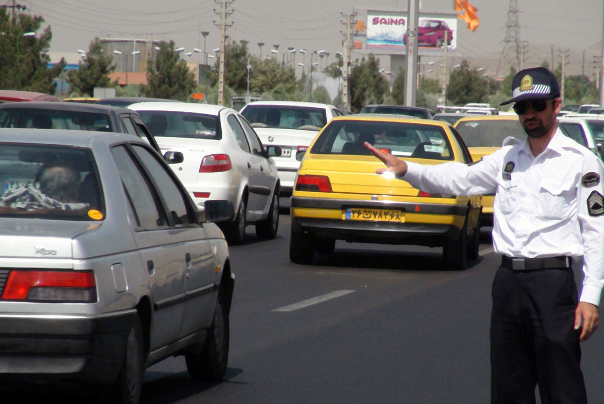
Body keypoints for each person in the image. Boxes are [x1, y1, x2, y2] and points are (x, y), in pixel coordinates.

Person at [365, 67, 603, 404]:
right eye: (522, 108)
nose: (529, 115)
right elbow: (459, 179)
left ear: (557, 105)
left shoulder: (581, 162)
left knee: (561, 388)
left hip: (553, 284)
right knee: (508, 388)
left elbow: (596, 231)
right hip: (508, 284)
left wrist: (590, 296)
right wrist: (407, 169)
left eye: (537, 106)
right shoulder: (507, 158)